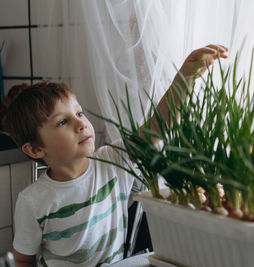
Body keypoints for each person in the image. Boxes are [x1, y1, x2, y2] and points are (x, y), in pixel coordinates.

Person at [6, 44, 228, 267]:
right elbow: (22, 260)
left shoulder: (113, 161)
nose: (81, 123)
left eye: (79, 113)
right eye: (62, 122)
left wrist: (184, 78)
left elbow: (157, 128)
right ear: (35, 150)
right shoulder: (32, 201)